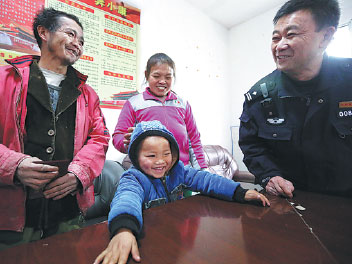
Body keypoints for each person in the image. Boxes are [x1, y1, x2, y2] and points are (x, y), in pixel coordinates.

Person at [0, 8, 109, 249]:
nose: (77, 44)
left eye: (81, 41)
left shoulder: (87, 94)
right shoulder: (6, 78)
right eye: (70, 34)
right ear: (43, 32)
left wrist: (78, 174)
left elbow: (99, 138)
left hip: (67, 209)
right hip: (12, 213)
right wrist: (13, 165)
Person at [94, 120, 270, 264]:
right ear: (135, 157)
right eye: (151, 156)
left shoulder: (179, 170)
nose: (160, 161)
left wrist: (239, 192)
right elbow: (126, 200)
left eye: (166, 154)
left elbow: (206, 180)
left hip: (172, 235)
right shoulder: (133, 178)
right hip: (147, 239)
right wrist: (124, 230)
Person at [239, 0, 352, 198]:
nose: (280, 46)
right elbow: (252, 146)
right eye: (276, 38)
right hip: (290, 202)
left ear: (325, 36)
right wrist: (270, 176)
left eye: (291, 35)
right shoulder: (260, 96)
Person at [112, 53, 207, 170]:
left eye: (168, 77)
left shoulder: (183, 104)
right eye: (156, 76)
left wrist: (202, 169)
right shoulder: (134, 103)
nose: (162, 81)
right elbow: (118, 137)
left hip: (181, 173)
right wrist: (130, 142)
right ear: (146, 75)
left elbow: (194, 140)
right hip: (148, 173)